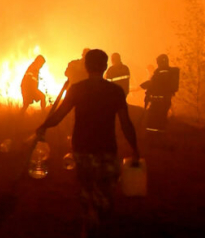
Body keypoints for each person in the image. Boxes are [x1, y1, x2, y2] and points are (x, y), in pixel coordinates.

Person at [36, 49, 140, 237]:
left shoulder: (77, 89)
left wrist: (43, 127)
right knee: (105, 193)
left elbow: (58, 116)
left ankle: (88, 226)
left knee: (86, 190)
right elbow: (126, 123)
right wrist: (135, 148)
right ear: (105, 66)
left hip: (82, 150)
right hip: (107, 150)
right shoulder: (115, 91)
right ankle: (98, 225)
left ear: (86, 66)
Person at [140, 54, 179, 133]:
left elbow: (156, 85)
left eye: (158, 62)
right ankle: (155, 138)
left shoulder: (163, 74)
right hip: (159, 101)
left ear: (162, 62)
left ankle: (157, 138)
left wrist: (148, 86)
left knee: (157, 121)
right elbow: (154, 84)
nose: (157, 64)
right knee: (155, 121)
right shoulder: (160, 73)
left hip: (160, 102)